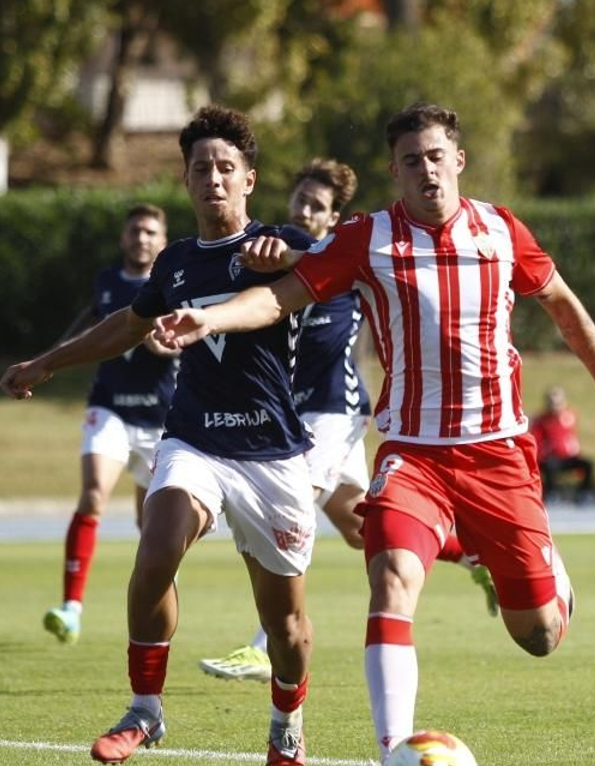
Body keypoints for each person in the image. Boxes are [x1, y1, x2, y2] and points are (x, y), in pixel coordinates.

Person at [153, 102, 595, 766]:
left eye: (437, 156)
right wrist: (209, 317)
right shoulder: (366, 238)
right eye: (412, 159)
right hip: (413, 455)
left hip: (499, 455)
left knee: (539, 635)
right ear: (394, 171)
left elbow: (561, 302)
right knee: (390, 583)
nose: (427, 169)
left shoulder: (501, 232)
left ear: (458, 161)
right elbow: (279, 298)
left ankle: (536, 573)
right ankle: (393, 762)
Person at [0, 106, 317, 766]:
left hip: (272, 456)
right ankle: (145, 708)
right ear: (185, 179)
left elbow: (318, 273)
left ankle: (286, 726)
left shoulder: (278, 245)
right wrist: (47, 363)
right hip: (195, 440)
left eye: (226, 168)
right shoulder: (173, 264)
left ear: (250, 179)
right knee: (154, 552)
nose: (213, 179)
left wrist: (292, 255)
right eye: (201, 168)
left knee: (285, 625)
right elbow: (123, 325)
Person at [199, 158, 502, 683]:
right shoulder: (280, 254)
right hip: (297, 409)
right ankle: (475, 557)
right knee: (363, 526)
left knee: (293, 507)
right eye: (300, 199)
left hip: (337, 410)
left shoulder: (349, 257)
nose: (305, 210)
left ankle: (264, 643)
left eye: (317, 205)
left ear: (334, 215)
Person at [41, 204, 177, 645]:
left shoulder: (174, 282)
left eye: (150, 232)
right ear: (124, 238)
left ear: (163, 241)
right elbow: (86, 329)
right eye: (135, 230)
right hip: (110, 409)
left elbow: (193, 340)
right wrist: (49, 362)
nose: (142, 238)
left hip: (160, 419)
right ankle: (72, 608)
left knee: (152, 525)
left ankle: (156, 609)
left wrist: (170, 348)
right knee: (93, 494)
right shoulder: (107, 283)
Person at [532, 386, 595, 505]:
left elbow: (571, 438)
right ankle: (551, 493)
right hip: (552, 459)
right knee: (550, 465)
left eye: (558, 402)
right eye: (552, 402)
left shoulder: (570, 416)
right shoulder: (541, 420)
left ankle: (584, 493)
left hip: (569, 457)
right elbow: (537, 441)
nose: (555, 405)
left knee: (588, 464)